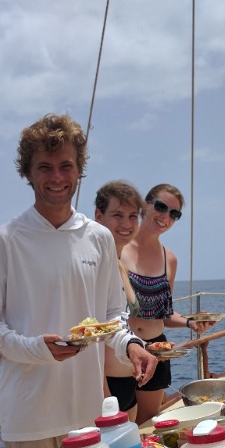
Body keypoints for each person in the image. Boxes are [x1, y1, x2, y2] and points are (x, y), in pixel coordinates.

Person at [0, 114, 157, 448]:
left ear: (79, 170)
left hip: (88, 415)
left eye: (66, 166)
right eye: (45, 167)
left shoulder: (99, 238)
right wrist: (38, 349)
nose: (56, 177)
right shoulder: (4, 240)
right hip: (29, 419)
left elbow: (112, 315)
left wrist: (130, 345)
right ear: (27, 172)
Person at [121, 183, 211, 425]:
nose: (166, 217)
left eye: (174, 213)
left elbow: (165, 314)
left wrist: (191, 323)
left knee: (147, 423)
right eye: (161, 207)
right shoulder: (119, 248)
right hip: (124, 350)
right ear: (145, 205)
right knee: (123, 426)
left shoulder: (169, 259)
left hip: (157, 351)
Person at [94, 180, 146, 421]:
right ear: (99, 216)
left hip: (129, 384)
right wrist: (105, 396)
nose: (126, 224)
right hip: (107, 389)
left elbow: (121, 322)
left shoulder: (119, 264)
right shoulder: (94, 267)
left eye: (133, 216)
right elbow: (93, 333)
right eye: (117, 215)